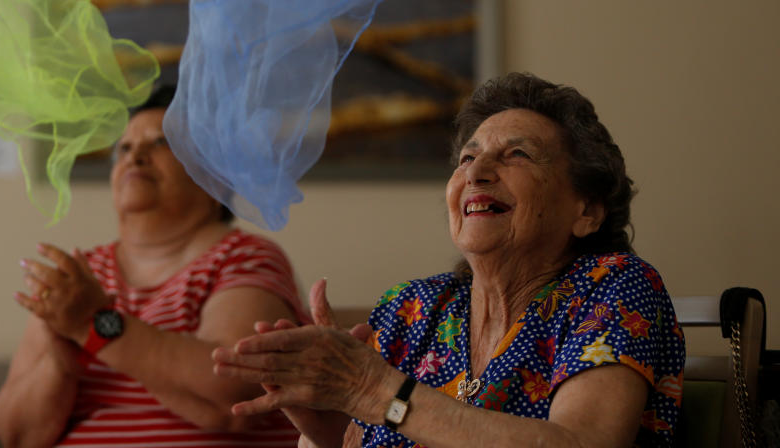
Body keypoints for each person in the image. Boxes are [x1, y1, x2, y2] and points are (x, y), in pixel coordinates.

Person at [213, 72, 686, 447]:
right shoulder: (412, 308)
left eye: (517, 154)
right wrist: (326, 424)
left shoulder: (613, 288)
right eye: (466, 158)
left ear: (586, 211)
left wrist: (377, 392)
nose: (476, 172)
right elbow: (363, 428)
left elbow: (581, 444)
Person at [0, 85, 307, 448]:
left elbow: (232, 397)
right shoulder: (79, 278)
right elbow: (16, 437)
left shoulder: (245, 256)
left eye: (161, 143)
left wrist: (95, 327)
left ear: (214, 175)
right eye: (124, 148)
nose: (135, 155)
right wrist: (61, 365)